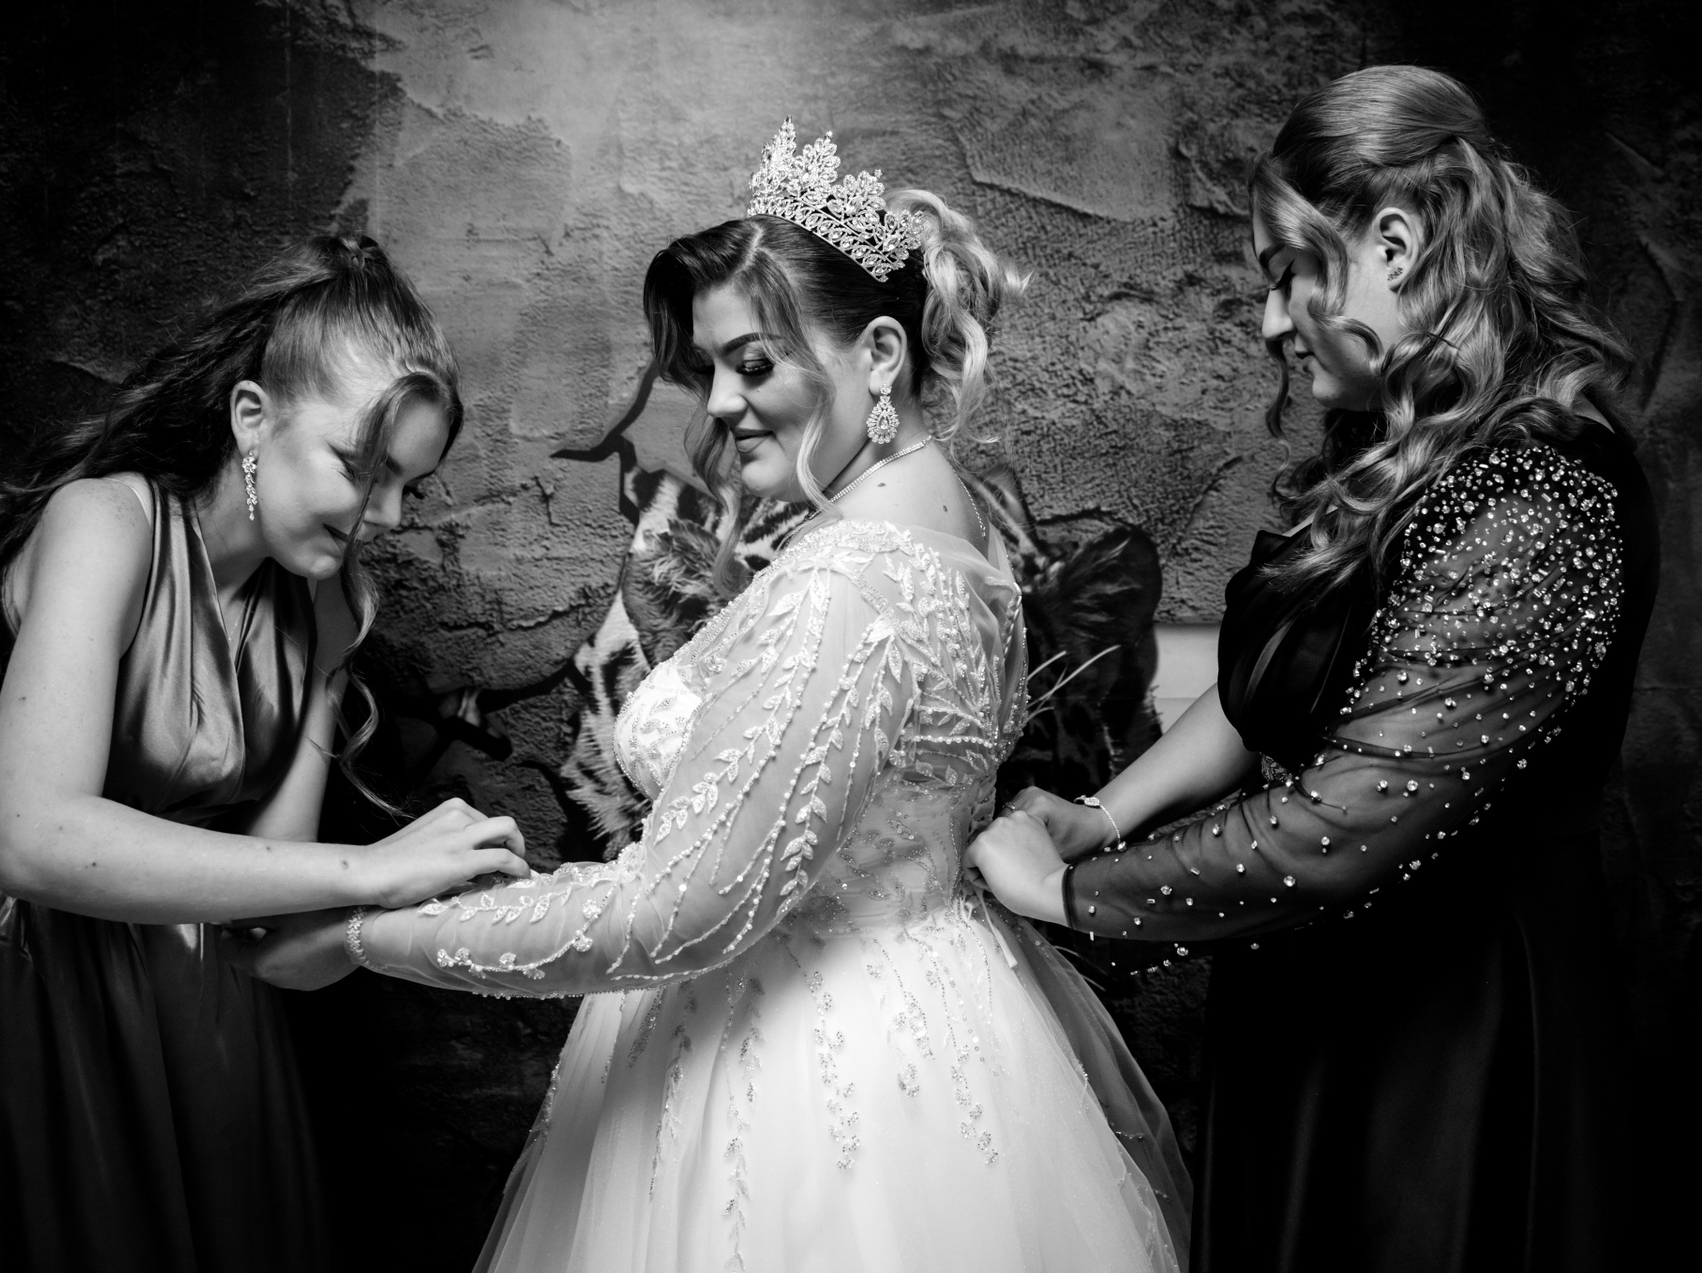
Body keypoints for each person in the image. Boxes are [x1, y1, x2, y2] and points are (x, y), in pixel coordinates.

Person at [233, 123, 1188, 1273]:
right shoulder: (954, 538)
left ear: (881, 353)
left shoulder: (854, 577)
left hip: (801, 1096)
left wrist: (371, 933)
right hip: (936, 1030)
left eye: (755, 362)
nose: (720, 403)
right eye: (710, 370)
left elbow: (678, 912)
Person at [968, 65, 1658, 1272]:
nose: (1273, 322)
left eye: (1290, 273)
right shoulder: (1398, 448)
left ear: (1393, 243)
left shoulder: (1542, 489)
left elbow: (1350, 817)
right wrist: (1102, 813)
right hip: (1319, 1001)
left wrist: (1070, 894)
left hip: (1448, 1055)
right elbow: (1270, 693)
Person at [0, 236, 532, 1273]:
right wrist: (370, 867)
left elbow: (270, 932)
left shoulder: (326, 607)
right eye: (360, 468)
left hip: (208, 1008)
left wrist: (427, 917)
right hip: (39, 986)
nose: (384, 517)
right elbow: (32, 836)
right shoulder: (107, 524)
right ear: (251, 418)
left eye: (407, 487)